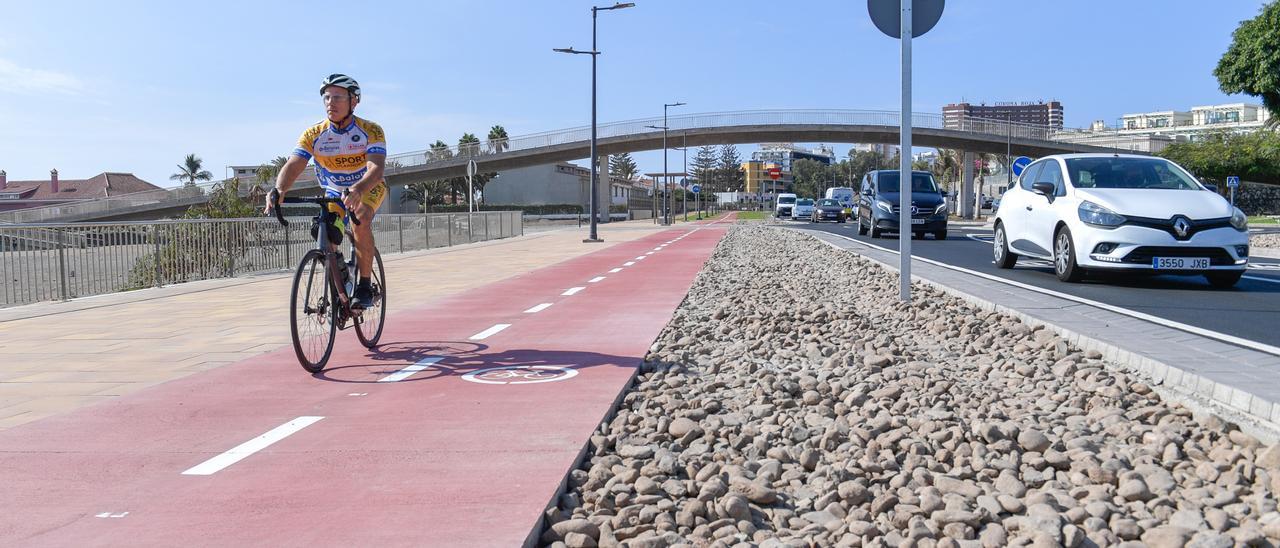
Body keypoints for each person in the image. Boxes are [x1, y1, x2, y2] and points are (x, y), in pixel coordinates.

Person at [266, 74, 387, 308]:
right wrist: (279, 188)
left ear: (354, 101)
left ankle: (363, 285)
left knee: (360, 219)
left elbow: (376, 168)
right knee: (324, 233)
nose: (331, 102)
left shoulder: (370, 130)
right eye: (327, 97)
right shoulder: (314, 134)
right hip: (334, 190)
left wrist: (358, 189)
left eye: (338, 97)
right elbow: (294, 164)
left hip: (367, 185)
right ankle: (341, 273)